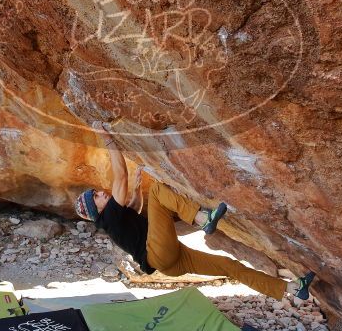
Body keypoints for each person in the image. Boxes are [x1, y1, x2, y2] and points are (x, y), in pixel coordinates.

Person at [75, 122, 315, 301]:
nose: (102, 193)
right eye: (96, 196)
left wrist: (137, 189)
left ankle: (292, 289)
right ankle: (202, 219)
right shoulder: (108, 218)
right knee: (158, 190)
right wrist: (106, 137)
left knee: (229, 266)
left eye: (97, 191)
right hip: (158, 254)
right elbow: (120, 175)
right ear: (96, 209)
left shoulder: (115, 221)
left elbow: (135, 211)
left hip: (170, 261)